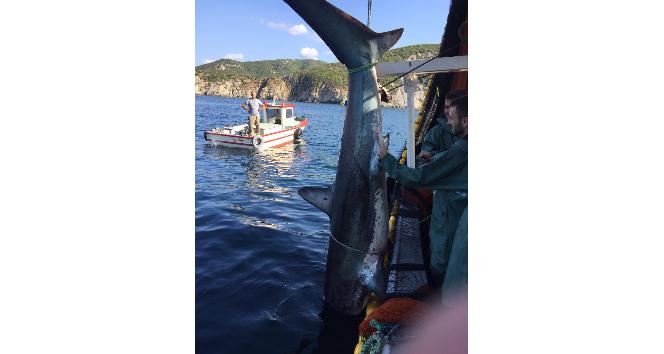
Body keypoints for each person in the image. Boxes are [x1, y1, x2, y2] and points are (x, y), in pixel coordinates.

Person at [379, 95, 468, 287]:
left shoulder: (463, 149)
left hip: (450, 226)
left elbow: (419, 178)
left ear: (466, 121)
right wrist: (435, 158)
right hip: (456, 220)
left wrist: (385, 158)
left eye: (451, 118)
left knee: (441, 269)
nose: (449, 122)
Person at [418, 89, 467, 163]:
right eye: (447, 107)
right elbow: (424, 159)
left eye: (453, 107)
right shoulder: (435, 133)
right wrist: (431, 156)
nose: (449, 112)